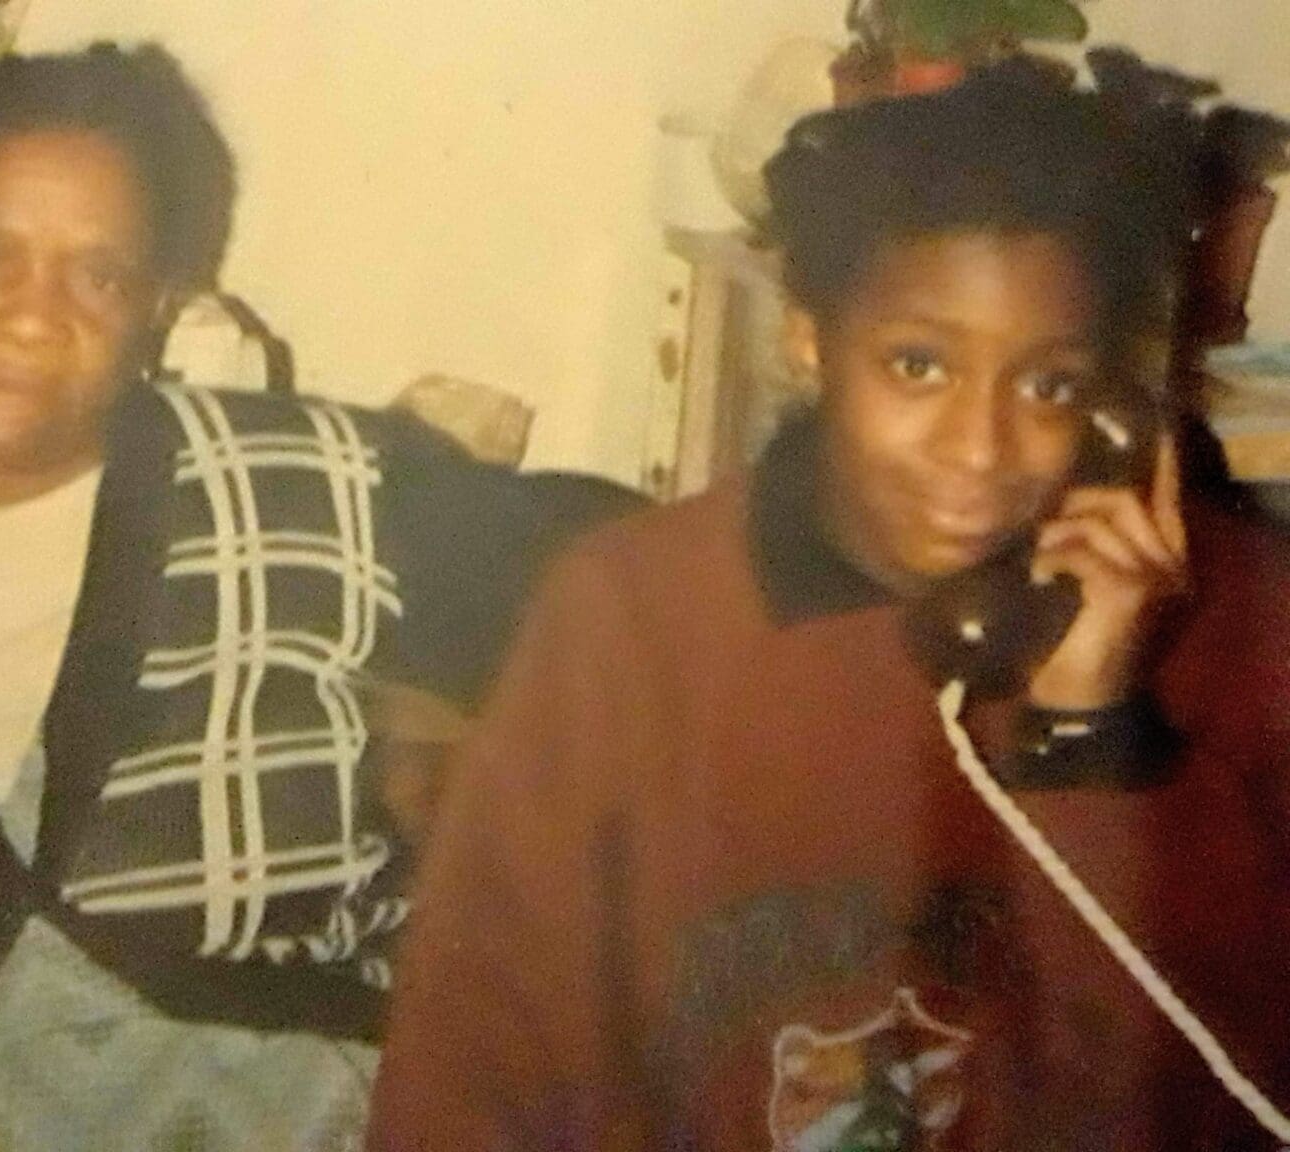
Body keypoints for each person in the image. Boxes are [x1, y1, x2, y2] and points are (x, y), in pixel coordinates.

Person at [369, 65, 1290, 1151]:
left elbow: (1240, 1089)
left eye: (1048, 385)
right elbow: (470, 1068)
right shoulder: (627, 620)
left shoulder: (1228, 618)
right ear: (810, 340)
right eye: (919, 366)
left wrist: (1097, 735)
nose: (979, 451)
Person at [0, 43, 632, 1151]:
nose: (34, 316)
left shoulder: (318, 486)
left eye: (98, 275)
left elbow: (639, 591)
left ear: (156, 309)